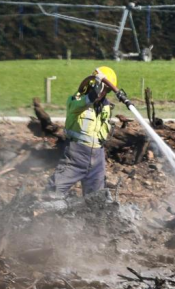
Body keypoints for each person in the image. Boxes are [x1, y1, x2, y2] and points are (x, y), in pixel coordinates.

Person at [46, 65, 127, 196]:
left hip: (98, 157)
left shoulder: (105, 106)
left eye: (106, 90)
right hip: (76, 154)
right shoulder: (77, 100)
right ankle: (40, 212)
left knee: (96, 200)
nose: (103, 93)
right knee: (54, 190)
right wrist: (93, 94)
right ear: (92, 85)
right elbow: (80, 104)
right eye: (101, 88)